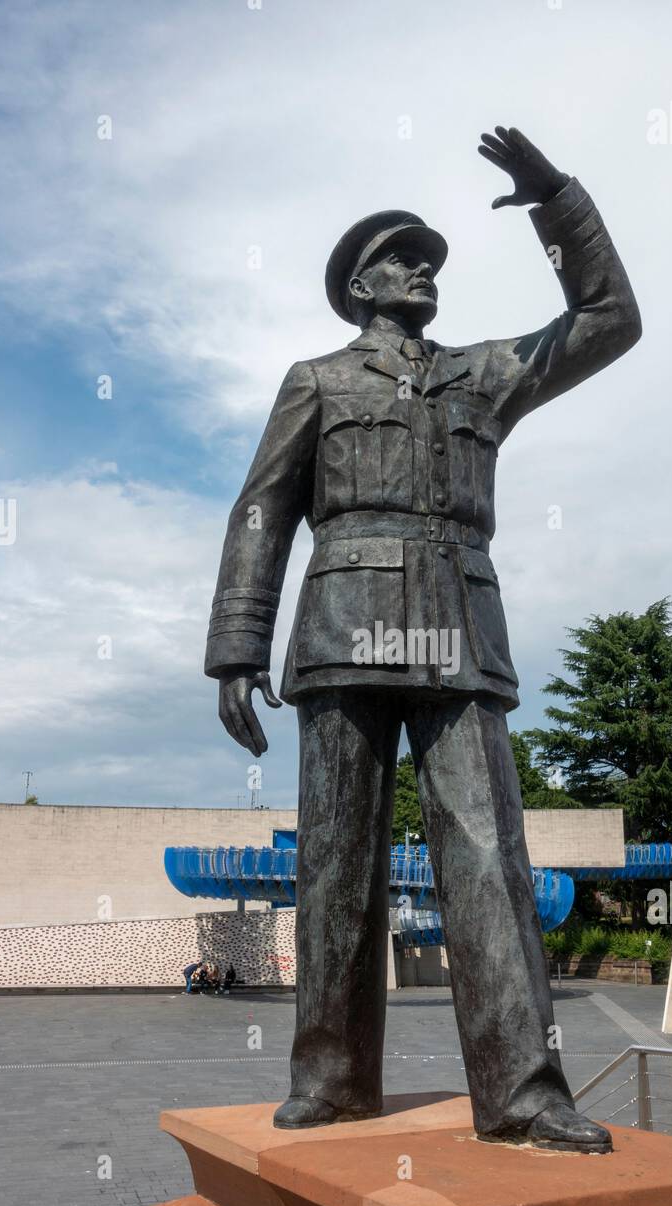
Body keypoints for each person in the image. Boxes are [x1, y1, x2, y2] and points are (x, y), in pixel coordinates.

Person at [205, 127, 640, 1153]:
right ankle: (332, 1079)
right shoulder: (316, 379)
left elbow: (609, 317)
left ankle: (524, 1092)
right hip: (342, 630)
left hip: (456, 630)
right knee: (336, 864)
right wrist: (235, 647)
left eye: (432, 260)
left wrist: (555, 201)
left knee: (489, 857)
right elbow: (262, 511)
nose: (423, 271)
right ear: (361, 285)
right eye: (402, 258)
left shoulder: (480, 375)